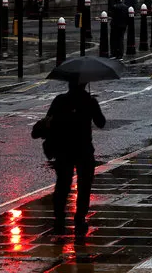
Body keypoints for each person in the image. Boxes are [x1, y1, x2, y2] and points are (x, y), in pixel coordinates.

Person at [46, 80, 106, 236]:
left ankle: (59, 218)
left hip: (63, 150)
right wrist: (92, 106)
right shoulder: (89, 101)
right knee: (84, 186)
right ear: (85, 85)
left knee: (62, 185)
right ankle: (80, 218)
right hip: (84, 150)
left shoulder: (60, 100)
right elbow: (101, 122)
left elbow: (48, 120)